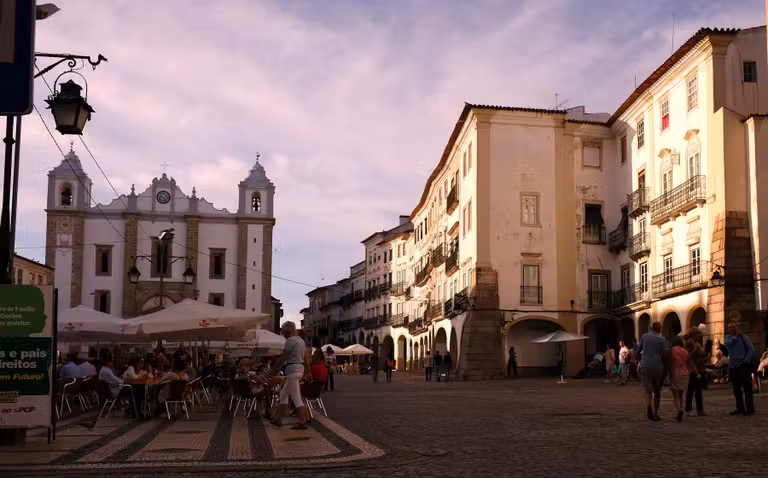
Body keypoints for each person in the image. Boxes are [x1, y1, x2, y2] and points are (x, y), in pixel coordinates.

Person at [270, 321, 311, 430]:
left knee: (296, 397)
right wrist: (308, 372)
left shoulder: (289, 340)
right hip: (300, 369)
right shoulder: (301, 341)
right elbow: (306, 359)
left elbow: (283, 357)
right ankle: (278, 419)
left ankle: (302, 421)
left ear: (287, 330)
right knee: (283, 394)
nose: (283, 333)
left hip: (292, 370)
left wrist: (274, 369)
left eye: (283, 331)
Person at [637, 322, 667, 421]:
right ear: (659, 329)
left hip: (645, 365)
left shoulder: (644, 337)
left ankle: (649, 407)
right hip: (657, 366)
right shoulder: (662, 339)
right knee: (657, 391)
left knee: (647, 389)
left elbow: (638, 350)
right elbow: (664, 354)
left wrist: (637, 360)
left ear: (651, 328)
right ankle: (656, 413)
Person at [724, 323, 756, 416]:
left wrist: (746, 360)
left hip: (743, 365)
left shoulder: (744, 337)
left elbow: (751, 349)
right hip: (733, 366)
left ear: (737, 328)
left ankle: (750, 408)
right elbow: (727, 344)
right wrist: (735, 337)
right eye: (729, 327)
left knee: (747, 388)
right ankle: (740, 408)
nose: (731, 329)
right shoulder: (728, 338)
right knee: (736, 389)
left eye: (733, 327)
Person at [669, 336, 699, 422]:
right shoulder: (685, 351)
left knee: (675, 394)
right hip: (685, 374)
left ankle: (679, 410)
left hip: (675, 373)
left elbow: (669, 363)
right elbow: (690, 363)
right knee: (682, 394)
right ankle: (682, 408)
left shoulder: (672, 351)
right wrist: (697, 373)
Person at [685, 328, 707, 416]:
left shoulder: (697, 343)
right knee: (691, 390)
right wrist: (695, 349)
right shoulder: (689, 343)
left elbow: (703, 354)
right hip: (693, 369)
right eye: (697, 334)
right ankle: (688, 409)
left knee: (698, 390)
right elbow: (687, 356)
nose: (699, 336)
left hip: (700, 368)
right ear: (693, 334)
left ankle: (700, 410)